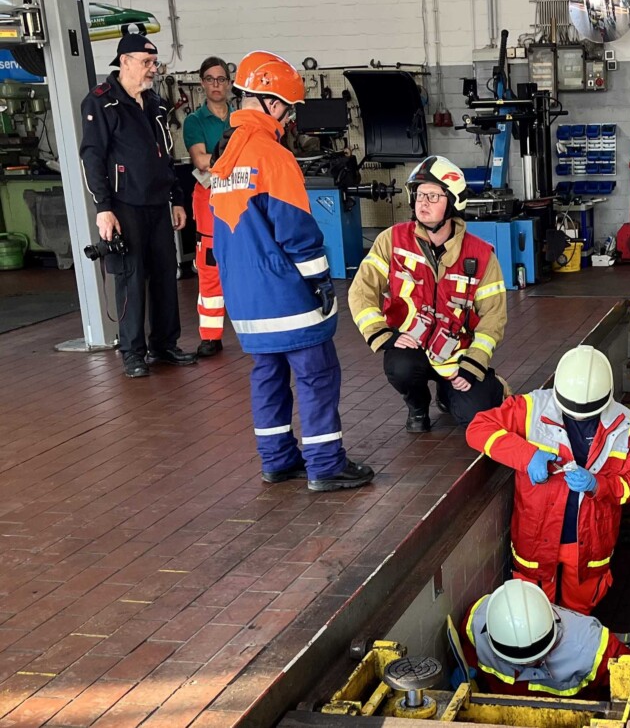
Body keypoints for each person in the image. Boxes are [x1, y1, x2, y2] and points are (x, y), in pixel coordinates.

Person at [209, 50, 374, 493]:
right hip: (287, 294)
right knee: (317, 375)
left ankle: (278, 460)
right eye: (288, 108)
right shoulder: (272, 156)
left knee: (267, 376)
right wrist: (321, 282)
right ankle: (325, 464)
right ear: (272, 102)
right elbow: (297, 234)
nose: (289, 117)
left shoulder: (224, 161)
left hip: (245, 299)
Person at [466, 346, 630, 615]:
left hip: (590, 541)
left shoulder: (626, 427)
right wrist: (527, 457)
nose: (577, 417)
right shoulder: (531, 408)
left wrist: (599, 485)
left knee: (580, 610)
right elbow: (478, 429)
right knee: (535, 612)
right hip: (537, 537)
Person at [347, 155, 507, 433]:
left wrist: (474, 363)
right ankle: (418, 406)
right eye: (419, 194)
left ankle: (452, 391)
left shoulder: (481, 255)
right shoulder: (392, 241)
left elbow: (494, 316)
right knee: (401, 367)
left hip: (457, 355)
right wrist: (382, 334)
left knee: (477, 417)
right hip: (411, 348)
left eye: (433, 196)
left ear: (453, 202)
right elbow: (361, 291)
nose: (423, 202)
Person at [80, 34, 196, 378]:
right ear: (124, 61)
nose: (152, 69)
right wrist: (103, 207)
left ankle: (164, 344)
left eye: (154, 62)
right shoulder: (100, 103)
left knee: (164, 274)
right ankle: (132, 351)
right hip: (124, 205)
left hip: (158, 203)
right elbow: (92, 157)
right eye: (146, 62)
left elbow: (167, 154)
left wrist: (175, 197)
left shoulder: (156, 103)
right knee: (131, 278)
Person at [460, 579, 630, 697]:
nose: (527, 665)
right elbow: (470, 656)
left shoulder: (592, 650)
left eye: (535, 655)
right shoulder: (475, 624)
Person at [183, 56, 232, 357]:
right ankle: (211, 336)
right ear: (202, 83)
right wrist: (233, 161)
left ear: (229, 83)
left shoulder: (240, 117)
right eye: (210, 79)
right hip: (209, 200)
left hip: (240, 200)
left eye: (221, 79)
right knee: (211, 267)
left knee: (245, 262)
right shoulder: (194, 122)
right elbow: (200, 160)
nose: (216, 84)